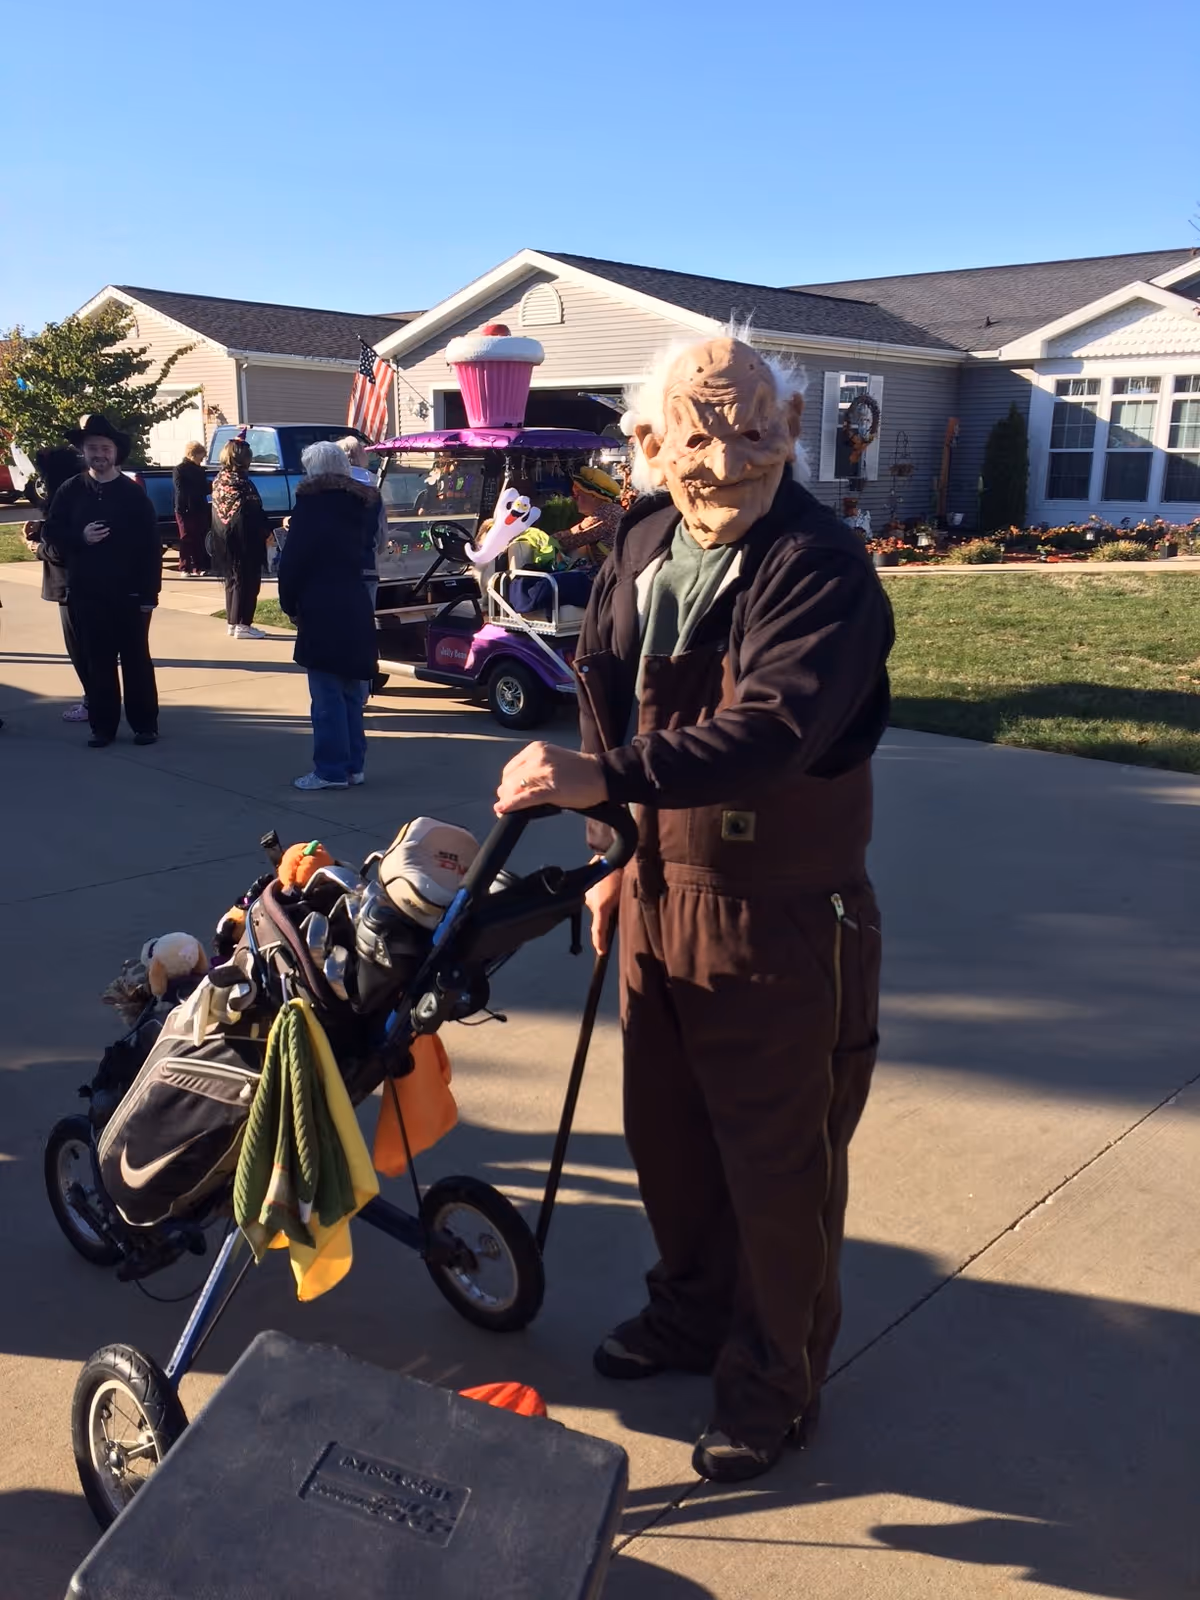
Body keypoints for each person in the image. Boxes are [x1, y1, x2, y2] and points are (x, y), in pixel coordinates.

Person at [493, 336, 894, 1484]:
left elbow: (776, 728)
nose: (730, 456)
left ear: (795, 423)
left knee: (777, 1168)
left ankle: (774, 1385)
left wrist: (608, 783)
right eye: (700, 430)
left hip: (780, 910)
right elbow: (602, 692)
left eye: (756, 425)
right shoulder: (638, 538)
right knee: (667, 1142)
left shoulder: (818, 566)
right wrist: (609, 846)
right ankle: (688, 1314)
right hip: (656, 890)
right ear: (648, 442)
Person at [41, 414, 161, 748]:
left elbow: (151, 548)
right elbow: (50, 536)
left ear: (115, 453)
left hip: (130, 592)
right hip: (87, 592)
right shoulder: (70, 491)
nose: (99, 453)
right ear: (84, 451)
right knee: (98, 661)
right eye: (92, 447)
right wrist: (80, 537)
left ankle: (144, 724)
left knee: (136, 659)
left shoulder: (132, 495)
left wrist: (149, 592)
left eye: (105, 448)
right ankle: (103, 727)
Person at [277, 440, 380, 791]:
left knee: (325, 696)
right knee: (351, 691)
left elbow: (293, 563)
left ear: (314, 471)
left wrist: (289, 604)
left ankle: (330, 770)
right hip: (355, 599)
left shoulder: (312, 506)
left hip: (320, 604)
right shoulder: (364, 503)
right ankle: (354, 765)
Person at [24, 445, 89, 721]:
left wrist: (34, 546)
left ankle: (92, 703)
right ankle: (96, 700)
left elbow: (61, 550)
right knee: (91, 648)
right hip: (86, 583)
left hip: (70, 585)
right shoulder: (83, 496)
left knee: (81, 648)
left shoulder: (63, 503)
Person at [211, 433, 270, 639]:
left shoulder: (219, 480)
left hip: (224, 538)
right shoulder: (243, 484)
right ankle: (243, 625)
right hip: (245, 539)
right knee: (247, 580)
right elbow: (253, 513)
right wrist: (267, 531)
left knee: (232, 579)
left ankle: (232, 622)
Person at [337, 435, 387, 610]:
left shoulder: (331, 490)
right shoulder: (375, 490)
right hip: (368, 568)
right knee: (365, 627)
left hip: (338, 571)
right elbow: (381, 539)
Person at [556, 465, 624, 566]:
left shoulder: (603, 515)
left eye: (578, 494)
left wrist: (541, 540)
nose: (574, 498)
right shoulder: (611, 510)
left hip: (612, 576)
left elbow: (568, 539)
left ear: (593, 496)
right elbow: (576, 531)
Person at [172, 441, 211, 576]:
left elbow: (205, 489)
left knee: (200, 537)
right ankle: (185, 567)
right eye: (200, 457)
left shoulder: (200, 471)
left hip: (199, 508)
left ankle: (199, 567)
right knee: (186, 537)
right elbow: (180, 490)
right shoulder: (179, 470)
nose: (201, 461)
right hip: (184, 508)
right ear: (192, 455)